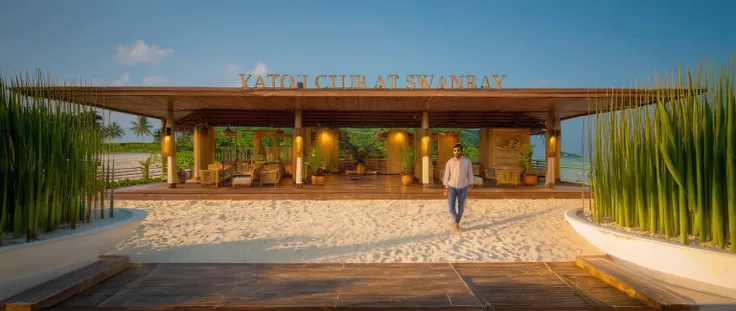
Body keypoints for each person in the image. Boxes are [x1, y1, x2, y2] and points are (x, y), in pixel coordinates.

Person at [442, 143, 474, 232]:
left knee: (461, 206)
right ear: (453, 152)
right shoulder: (450, 162)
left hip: (463, 186)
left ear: (461, 151)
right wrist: (446, 186)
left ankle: (456, 223)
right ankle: (457, 221)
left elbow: (470, 173)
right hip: (451, 186)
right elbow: (447, 174)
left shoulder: (467, 162)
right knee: (451, 207)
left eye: (458, 150)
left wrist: (471, 183)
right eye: (455, 150)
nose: (456, 152)